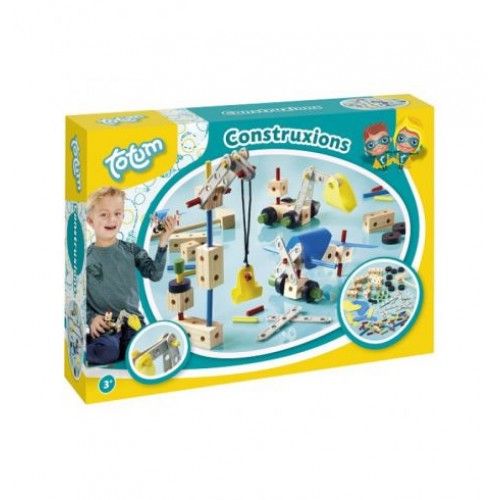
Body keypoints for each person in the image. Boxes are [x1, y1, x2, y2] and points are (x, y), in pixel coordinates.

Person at [85, 186, 176, 365]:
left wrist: (164, 240)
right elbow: (75, 298)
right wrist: (91, 318)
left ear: (123, 216)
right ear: (90, 221)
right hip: (106, 328)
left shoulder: (132, 250)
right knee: (107, 352)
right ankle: (90, 345)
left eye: (117, 213)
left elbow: (155, 274)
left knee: (143, 351)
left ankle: (125, 349)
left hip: (133, 323)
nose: (112, 219)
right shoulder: (85, 260)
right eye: (104, 214)